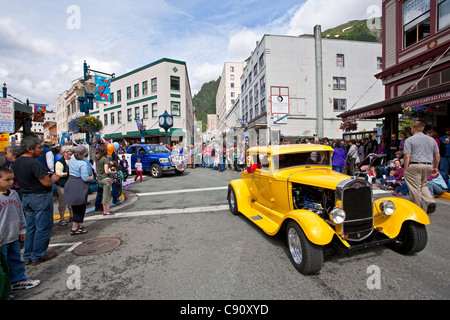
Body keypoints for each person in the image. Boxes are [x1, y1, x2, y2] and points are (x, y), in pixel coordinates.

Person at [12, 135, 59, 265]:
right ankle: (38, 255)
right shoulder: (35, 164)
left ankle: (28, 255)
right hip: (40, 197)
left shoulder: (16, 162)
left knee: (31, 227)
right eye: (38, 148)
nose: (41, 150)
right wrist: (54, 178)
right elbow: (46, 182)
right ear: (29, 149)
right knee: (43, 227)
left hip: (26, 197)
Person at [0, 167, 41, 291]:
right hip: (2, 239)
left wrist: (23, 229)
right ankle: (4, 287)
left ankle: (18, 280)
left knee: (16, 260)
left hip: (13, 235)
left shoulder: (14, 194)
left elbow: (20, 213)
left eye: (12, 179)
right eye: (7, 180)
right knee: (3, 265)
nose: (11, 182)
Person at [403, 121, 440, 213]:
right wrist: (435, 167)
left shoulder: (410, 140)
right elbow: (437, 155)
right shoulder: (432, 140)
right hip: (428, 165)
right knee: (423, 183)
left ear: (414, 128)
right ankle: (430, 201)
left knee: (414, 187)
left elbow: (407, 156)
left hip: (414, 164)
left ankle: (417, 208)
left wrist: (406, 168)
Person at [64, 145, 94, 235]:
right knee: (80, 207)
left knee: (75, 207)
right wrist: (91, 178)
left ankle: (76, 225)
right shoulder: (83, 164)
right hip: (79, 185)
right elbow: (85, 178)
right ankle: (74, 228)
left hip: (70, 183)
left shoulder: (72, 160)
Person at [54, 146, 73, 226]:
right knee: (63, 201)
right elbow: (58, 173)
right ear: (63, 153)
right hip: (61, 184)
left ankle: (72, 216)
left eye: (70, 151)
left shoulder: (72, 161)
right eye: (67, 152)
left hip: (70, 183)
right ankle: (62, 219)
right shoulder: (59, 162)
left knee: (71, 201)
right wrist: (68, 174)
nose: (69, 153)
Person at [95, 145, 114, 215]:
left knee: (105, 194)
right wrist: (113, 172)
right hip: (106, 179)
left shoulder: (97, 159)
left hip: (100, 179)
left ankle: (107, 210)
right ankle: (106, 210)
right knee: (107, 194)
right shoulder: (105, 159)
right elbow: (106, 171)